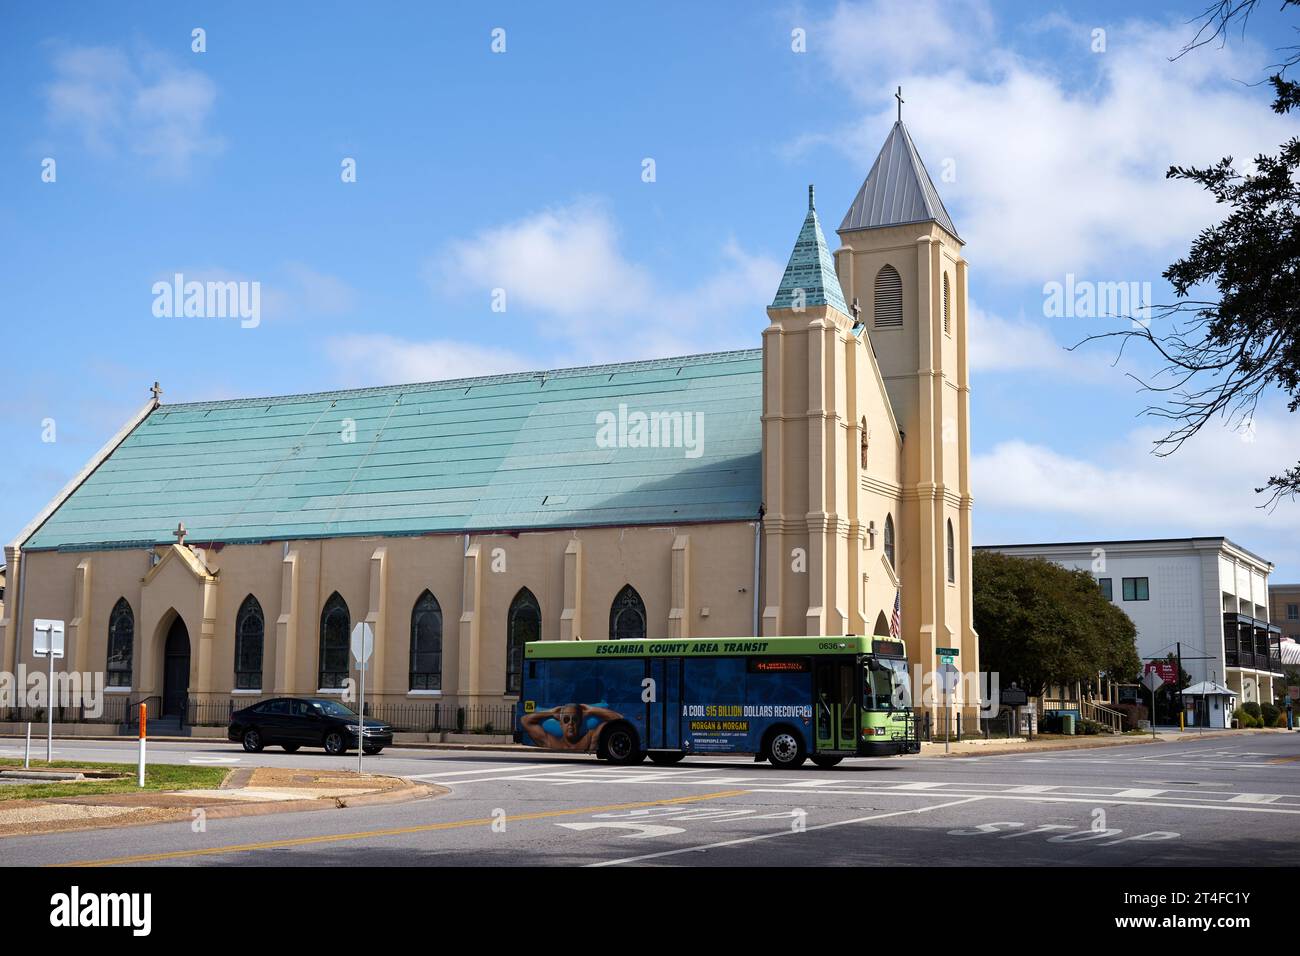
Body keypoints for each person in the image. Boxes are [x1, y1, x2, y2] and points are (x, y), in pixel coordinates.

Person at [521, 703, 624, 752]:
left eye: (574, 719)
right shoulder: (550, 742)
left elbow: (619, 719)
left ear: (580, 722)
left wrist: (591, 710)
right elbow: (525, 720)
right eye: (566, 720)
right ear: (560, 724)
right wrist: (551, 712)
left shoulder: (591, 737)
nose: (570, 723)